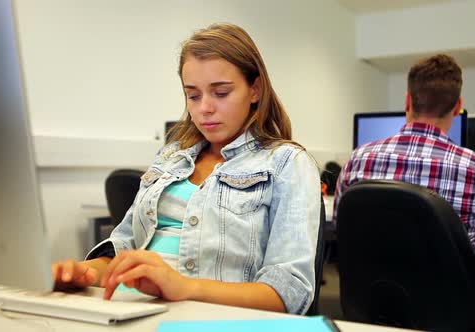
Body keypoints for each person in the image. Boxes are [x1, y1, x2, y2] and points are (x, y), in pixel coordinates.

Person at [51, 23, 321, 315]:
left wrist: (184, 287)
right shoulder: (170, 157)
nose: (204, 108)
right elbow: (124, 247)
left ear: (254, 90)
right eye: (193, 95)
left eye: (220, 93)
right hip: (128, 310)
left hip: (206, 318)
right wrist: (85, 273)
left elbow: (288, 294)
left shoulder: (286, 163)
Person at [333, 54, 475, 331]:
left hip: (380, 301)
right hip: (458, 305)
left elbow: (343, 228)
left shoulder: (357, 160)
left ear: (408, 101)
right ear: (458, 107)